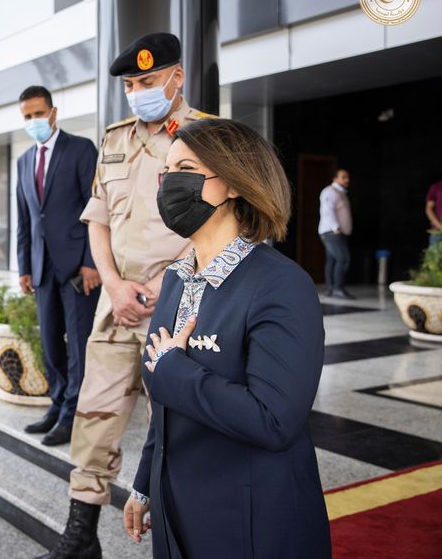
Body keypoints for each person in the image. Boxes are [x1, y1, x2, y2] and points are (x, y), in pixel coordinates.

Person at [124, 118, 331, 558]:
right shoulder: (177, 279)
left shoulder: (281, 285)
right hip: (176, 505)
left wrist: (176, 370)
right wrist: (145, 485)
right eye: (166, 171)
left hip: (248, 520)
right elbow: (164, 403)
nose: (169, 183)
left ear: (234, 183)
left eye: (185, 168)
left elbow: (275, 420)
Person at [41, 33, 209, 559]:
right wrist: (112, 283)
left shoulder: (208, 137)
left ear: (176, 78)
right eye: (131, 84)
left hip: (178, 308)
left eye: (149, 81)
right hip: (116, 306)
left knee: (176, 425)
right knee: (94, 417)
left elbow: (221, 224)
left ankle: (181, 537)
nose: (138, 92)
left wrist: (165, 285)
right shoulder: (114, 140)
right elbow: (96, 220)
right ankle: (80, 537)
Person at [15, 85, 100, 447]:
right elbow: (25, 220)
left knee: (78, 344)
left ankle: (72, 413)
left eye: (38, 113)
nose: (34, 121)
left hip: (77, 267)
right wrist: (23, 267)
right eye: (27, 117)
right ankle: (57, 402)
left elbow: (96, 209)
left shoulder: (81, 149)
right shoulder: (23, 162)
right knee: (51, 342)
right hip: (42, 267)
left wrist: (92, 262)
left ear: (53, 112)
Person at [319, 168, 354, 299]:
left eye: (347, 177)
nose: (347, 180)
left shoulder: (341, 193)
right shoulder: (330, 191)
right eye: (343, 177)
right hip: (332, 232)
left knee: (333, 260)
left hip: (336, 232)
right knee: (343, 259)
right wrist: (336, 228)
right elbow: (327, 211)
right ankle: (337, 288)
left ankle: (331, 288)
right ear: (335, 179)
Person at [425, 175, 442, 245]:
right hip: (438, 232)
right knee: (435, 254)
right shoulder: (437, 186)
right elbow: (429, 209)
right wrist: (440, 226)